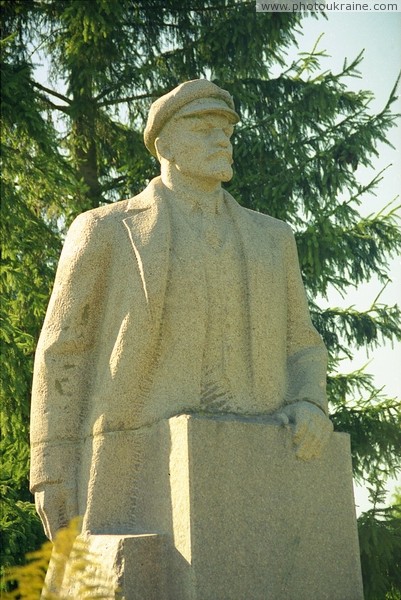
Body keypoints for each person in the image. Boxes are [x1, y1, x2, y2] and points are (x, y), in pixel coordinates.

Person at [30, 79, 333, 541]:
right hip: (132, 463)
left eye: (228, 131)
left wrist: (310, 401)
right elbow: (63, 352)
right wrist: (51, 469)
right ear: (164, 143)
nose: (222, 140)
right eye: (204, 127)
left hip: (259, 461)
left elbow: (303, 344)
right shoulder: (106, 230)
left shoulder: (272, 240)